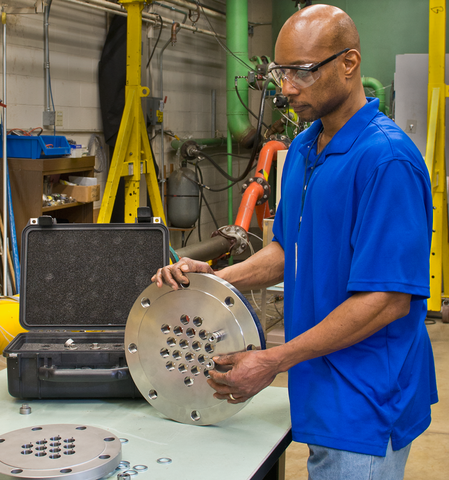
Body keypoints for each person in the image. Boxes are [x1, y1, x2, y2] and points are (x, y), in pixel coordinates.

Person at [152, 5, 438, 479]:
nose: (286, 88)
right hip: (320, 382)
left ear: (349, 63)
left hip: (367, 398)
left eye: (302, 72)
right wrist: (218, 281)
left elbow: (387, 300)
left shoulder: (386, 162)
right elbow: (290, 250)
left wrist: (271, 361)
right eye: (280, 72)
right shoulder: (306, 148)